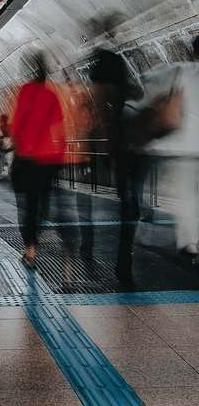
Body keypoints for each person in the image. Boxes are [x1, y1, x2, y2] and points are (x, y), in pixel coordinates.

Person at [87, 16, 144, 287]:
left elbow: (101, 107)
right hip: (130, 140)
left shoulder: (109, 62)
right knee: (129, 204)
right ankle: (124, 262)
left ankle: (124, 259)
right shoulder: (110, 62)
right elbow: (104, 105)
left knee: (129, 202)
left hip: (126, 141)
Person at [140, 35, 199, 258]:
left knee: (186, 196)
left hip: (183, 147)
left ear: (193, 51)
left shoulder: (182, 71)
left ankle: (190, 242)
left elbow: (147, 78)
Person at [11, 52, 69, 275]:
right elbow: (59, 128)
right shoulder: (52, 95)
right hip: (48, 162)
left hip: (26, 160)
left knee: (27, 207)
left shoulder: (25, 91)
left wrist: (19, 146)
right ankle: (35, 238)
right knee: (41, 207)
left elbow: (17, 126)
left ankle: (31, 251)